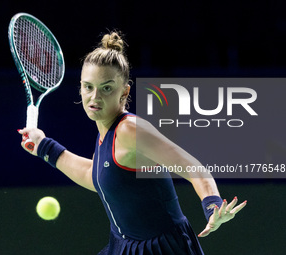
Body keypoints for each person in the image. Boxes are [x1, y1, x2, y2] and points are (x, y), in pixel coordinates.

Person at [18, 31, 247, 255]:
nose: (94, 97)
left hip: (163, 248)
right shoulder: (105, 129)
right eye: (88, 86)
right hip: (124, 244)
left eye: (106, 88)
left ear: (124, 92)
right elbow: (96, 176)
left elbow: (190, 165)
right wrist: (44, 147)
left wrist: (212, 203)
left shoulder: (130, 130)